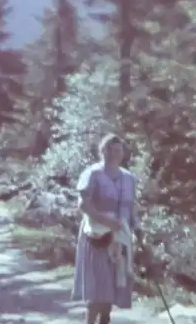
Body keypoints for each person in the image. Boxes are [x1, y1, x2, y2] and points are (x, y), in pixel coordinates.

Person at [71, 133, 143, 324]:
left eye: (119, 150)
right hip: (97, 236)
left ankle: (105, 320)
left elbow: (130, 207)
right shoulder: (93, 174)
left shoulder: (128, 178)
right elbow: (83, 205)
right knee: (97, 290)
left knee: (112, 287)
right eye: (112, 149)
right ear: (103, 151)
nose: (116, 154)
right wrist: (106, 221)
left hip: (121, 238)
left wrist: (137, 229)